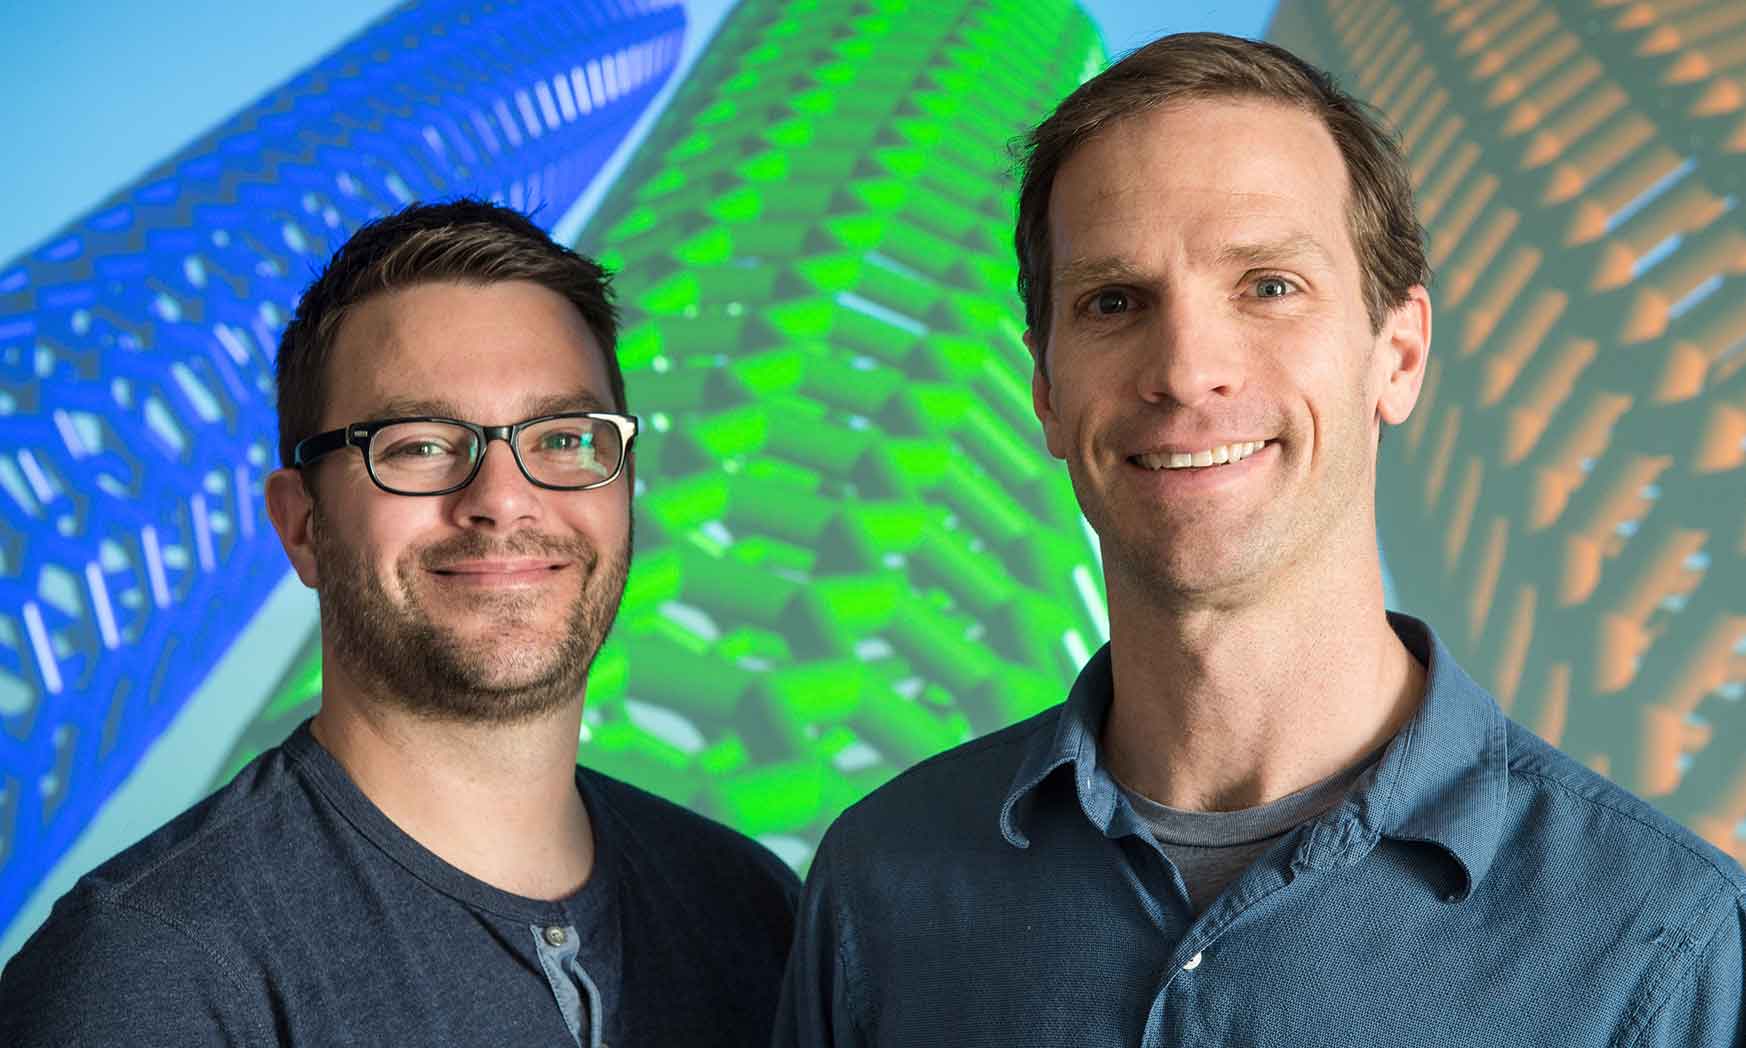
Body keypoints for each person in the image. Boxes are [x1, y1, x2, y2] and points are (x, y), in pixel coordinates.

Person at [774, 32, 1745, 1046]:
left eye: (1269, 285)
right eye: (1114, 301)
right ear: (1047, 393)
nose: (1189, 371)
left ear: (1398, 354)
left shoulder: (1659, 940)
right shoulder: (879, 891)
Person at [0, 200, 798, 1046]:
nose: (502, 500)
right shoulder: (150, 968)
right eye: (418, 445)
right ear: (302, 523)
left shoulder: (752, 910)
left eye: (564, 438)